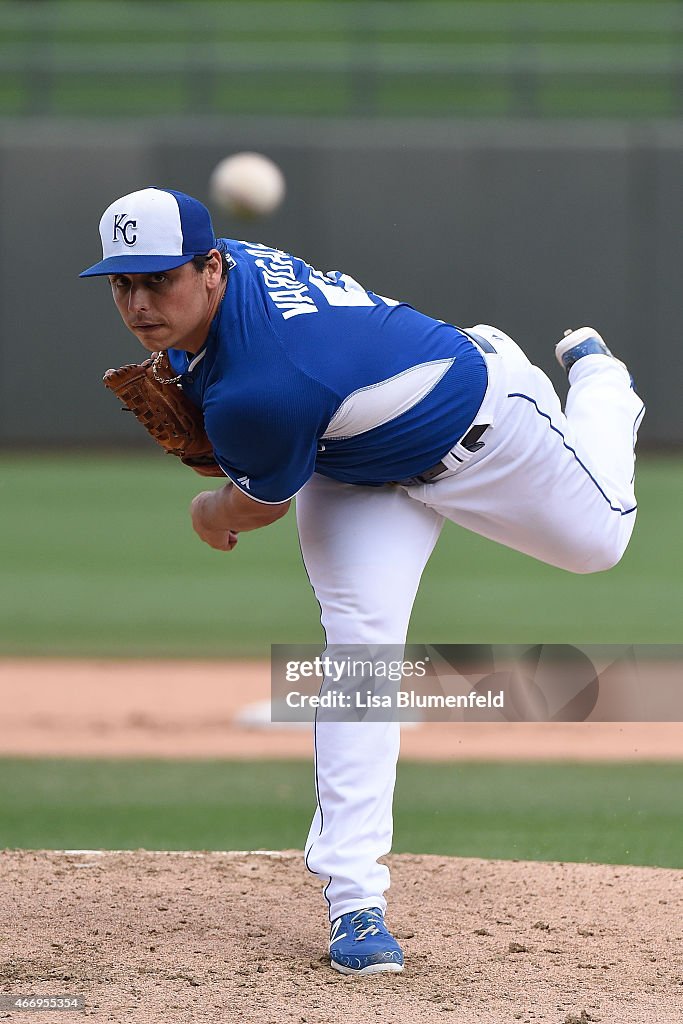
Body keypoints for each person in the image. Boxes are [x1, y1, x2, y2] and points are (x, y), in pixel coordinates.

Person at [81, 186, 645, 976]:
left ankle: (599, 380)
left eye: (159, 280)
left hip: (482, 424)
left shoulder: (261, 389)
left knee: (600, 543)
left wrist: (208, 513)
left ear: (212, 266)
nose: (139, 304)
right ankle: (355, 902)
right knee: (359, 663)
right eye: (122, 283)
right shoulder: (231, 283)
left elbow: (251, 508)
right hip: (351, 463)